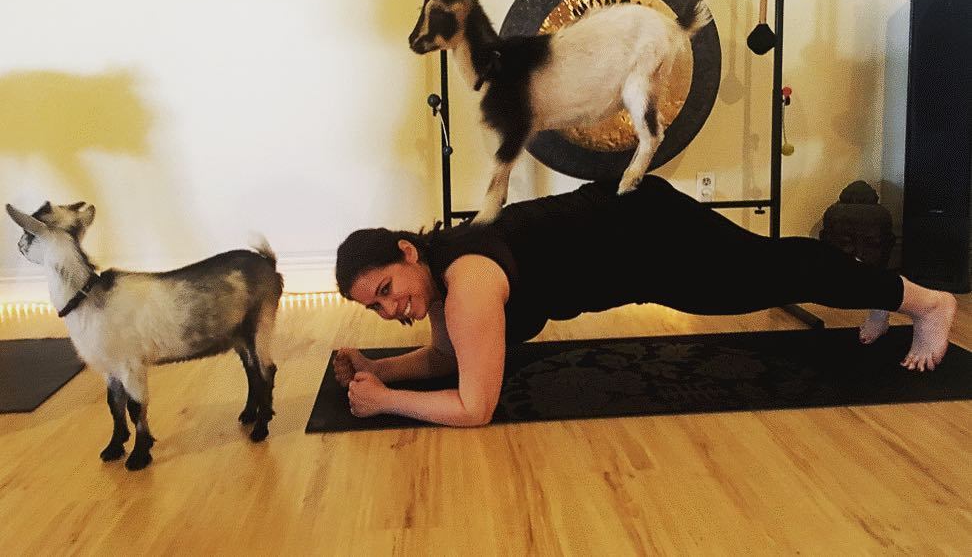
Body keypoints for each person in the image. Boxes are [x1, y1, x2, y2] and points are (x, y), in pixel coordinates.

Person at [334, 176, 956, 427]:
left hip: (647, 236)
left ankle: (926, 302)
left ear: (407, 251)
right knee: (771, 269)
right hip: (624, 235)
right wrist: (377, 367)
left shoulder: (467, 285)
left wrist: (385, 400)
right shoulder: (439, 274)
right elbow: (449, 359)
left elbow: (474, 407)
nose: (391, 310)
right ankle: (878, 291)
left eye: (386, 289)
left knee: (768, 276)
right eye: (375, 309)